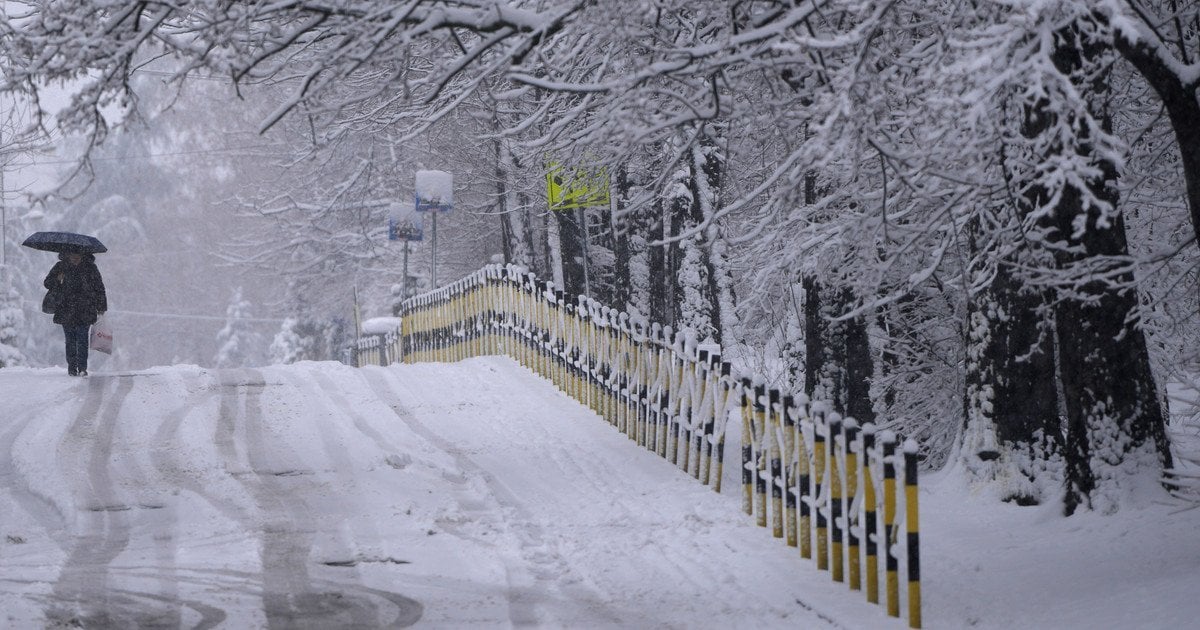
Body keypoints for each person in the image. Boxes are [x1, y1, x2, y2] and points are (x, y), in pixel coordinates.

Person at [43, 251, 107, 376]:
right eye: (73, 255)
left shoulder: (90, 268)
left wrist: (101, 306)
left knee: (82, 339)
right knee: (70, 340)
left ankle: (82, 368)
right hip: (66, 309)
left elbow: (99, 287)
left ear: (83, 255)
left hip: (85, 309)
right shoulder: (60, 266)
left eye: (78, 255)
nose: (75, 258)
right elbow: (47, 283)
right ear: (68, 255)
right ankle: (72, 368)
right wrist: (57, 279)